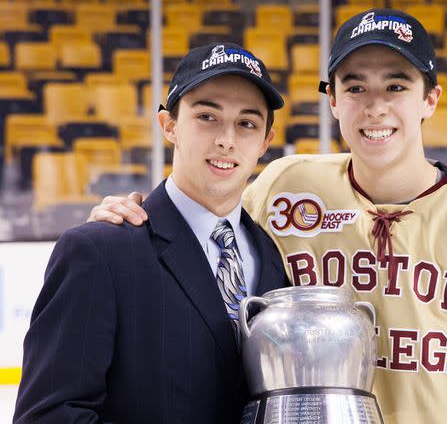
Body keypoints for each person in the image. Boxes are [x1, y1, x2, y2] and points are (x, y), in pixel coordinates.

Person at [88, 9, 447, 424]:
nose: (375, 107)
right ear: (332, 101)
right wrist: (132, 220)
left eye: (395, 86)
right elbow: (204, 229)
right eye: (355, 88)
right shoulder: (288, 187)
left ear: (430, 99)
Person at [14, 42, 289, 423]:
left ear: (265, 142)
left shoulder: (275, 257)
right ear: (170, 125)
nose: (227, 138)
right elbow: (48, 416)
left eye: (246, 123)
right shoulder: (99, 251)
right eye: (207, 116)